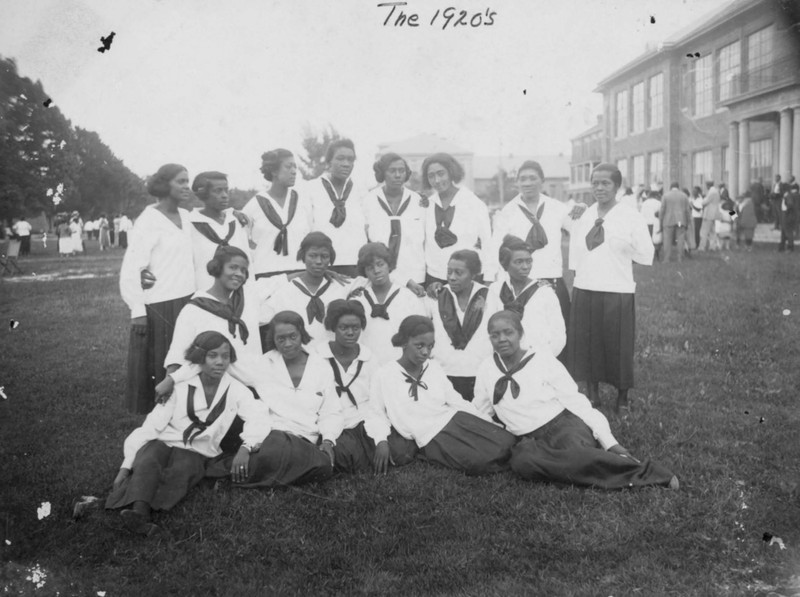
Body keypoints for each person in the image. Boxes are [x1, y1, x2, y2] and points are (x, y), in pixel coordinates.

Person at [474, 311, 678, 490]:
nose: (502, 339)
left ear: (520, 334)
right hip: (528, 440)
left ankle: (644, 473)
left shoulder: (542, 359)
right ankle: (585, 469)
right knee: (522, 462)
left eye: (508, 332)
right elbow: (482, 410)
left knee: (575, 453)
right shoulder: (486, 368)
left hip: (562, 426)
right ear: (489, 339)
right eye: (495, 335)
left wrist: (610, 443)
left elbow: (577, 402)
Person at [106, 331, 272, 535]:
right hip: (164, 439)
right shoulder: (179, 387)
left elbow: (258, 416)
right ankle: (139, 512)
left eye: (225, 356)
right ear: (199, 358)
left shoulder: (236, 389)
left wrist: (246, 447)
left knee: (183, 468)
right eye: (212, 356)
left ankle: (134, 508)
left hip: (196, 448)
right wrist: (125, 466)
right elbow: (152, 426)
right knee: (149, 459)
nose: (220, 362)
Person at [370, 315, 515, 475]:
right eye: (419, 346)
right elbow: (376, 413)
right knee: (482, 462)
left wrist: (485, 421)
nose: (425, 352)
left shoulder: (433, 367)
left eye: (430, 346)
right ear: (404, 342)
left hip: (453, 419)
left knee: (507, 441)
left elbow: (455, 400)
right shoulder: (384, 374)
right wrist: (381, 441)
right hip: (429, 436)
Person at [567, 163, 654, 412]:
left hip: (617, 288)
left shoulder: (630, 216)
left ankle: (622, 396)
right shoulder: (583, 214)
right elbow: (575, 251)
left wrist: (623, 245)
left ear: (617, 186)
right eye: (595, 183)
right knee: (588, 342)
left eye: (605, 183)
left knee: (618, 344)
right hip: (586, 286)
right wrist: (578, 277)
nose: (599, 188)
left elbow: (647, 254)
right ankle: (592, 392)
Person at [119, 164, 196, 414]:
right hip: (161, 303)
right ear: (165, 185)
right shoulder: (148, 220)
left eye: (188, 181)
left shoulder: (187, 216)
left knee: (188, 359)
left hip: (189, 299)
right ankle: (160, 418)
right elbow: (132, 268)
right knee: (162, 363)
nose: (187, 186)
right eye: (181, 181)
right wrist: (138, 310)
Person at [238, 311, 343, 488]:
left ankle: (262, 474)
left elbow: (331, 410)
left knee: (324, 466)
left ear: (301, 334)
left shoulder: (321, 367)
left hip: (305, 437)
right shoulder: (263, 364)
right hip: (273, 436)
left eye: (293, 337)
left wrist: (328, 440)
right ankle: (281, 472)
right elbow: (226, 366)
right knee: (278, 451)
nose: (287, 344)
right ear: (273, 339)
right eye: (281, 339)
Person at [315, 299, 418, 473]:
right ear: (333, 327)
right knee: (344, 458)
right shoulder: (318, 356)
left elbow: (377, 402)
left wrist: (381, 439)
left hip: (365, 418)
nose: (350, 333)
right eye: (343, 328)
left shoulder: (369, 358)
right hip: (336, 421)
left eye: (356, 328)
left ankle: (369, 453)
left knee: (401, 451)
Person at [490, 160, 578, 328]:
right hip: (520, 283)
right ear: (517, 182)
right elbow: (496, 250)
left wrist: (582, 208)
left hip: (551, 279)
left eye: (532, 178)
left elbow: (581, 230)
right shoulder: (508, 211)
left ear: (542, 181)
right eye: (522, 179)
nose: (527, 183)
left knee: (557, 332)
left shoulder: (557, 207)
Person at [426, 249, 492, 402]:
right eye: (449, 272)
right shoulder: (436, 296)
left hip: (479, 374)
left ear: (474, 274)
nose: (452, 278)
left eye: (458, 273)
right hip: (444, 373)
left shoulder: (489, 297)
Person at [262, 232, 348, 348]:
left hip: (333, 356)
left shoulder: (341, 286)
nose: (318, 261)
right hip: (298, 358)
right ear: (303, 257)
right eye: (312, 256)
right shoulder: (284, 291)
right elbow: (259, 316)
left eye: (324, 256)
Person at [484, 235, 565, 358]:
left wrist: (542, 359)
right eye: (519, 262)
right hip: (503, 360)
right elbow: (486, 330)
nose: (525, 267)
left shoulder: (544, 292)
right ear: (505, 264)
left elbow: (558, 336)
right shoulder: (495, 290)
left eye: (528, 261)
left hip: (537, 360)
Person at [421, 153, 494, 288]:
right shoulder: (427, 206)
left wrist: (488, 282)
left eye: (441, 173)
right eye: (431, 176)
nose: (436, 180)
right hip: (435, 280)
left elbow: (488, 245)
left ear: (451, 173)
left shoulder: (474, 204)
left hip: (467, 279)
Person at [346, 242, 426, 365]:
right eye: (370, 268)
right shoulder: (358, 297)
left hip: (399, 364)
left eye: (380, 264)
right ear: (364, 272)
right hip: (365, 365)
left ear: (389, 265)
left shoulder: (408, 297)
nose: (376, 271)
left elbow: (421, 334)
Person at [242, 149, 313, 279]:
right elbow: (241, 241)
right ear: (274, 171)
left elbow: (311, 235)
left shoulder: (303, 201)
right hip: (265, 275)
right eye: (288, 166)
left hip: (300, 272)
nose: (294, 171)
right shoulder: (254, 205)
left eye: (295, 167)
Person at [364, 153, 427, 296]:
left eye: (402, 170)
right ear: (382, 174)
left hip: (415, 277)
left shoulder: (418, 201)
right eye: (392, 171)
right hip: (381, 277)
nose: (398, 175)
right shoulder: (369, 200)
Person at [307, 139, 366, 276]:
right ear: (328, 163)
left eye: (350, 160)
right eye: (340, 159)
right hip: (322, 267)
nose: (346, 164)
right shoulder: (310, 189)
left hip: (356, 267)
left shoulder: (361, 191)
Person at [188, 171, 251, 291]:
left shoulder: (236, 222)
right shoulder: (190, 225)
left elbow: (247, 262)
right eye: (218, 191)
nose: (224, 195)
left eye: (226, 190)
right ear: (204, 194)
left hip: (239, 295)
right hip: (205, 294)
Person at [659, 183, 691, 263]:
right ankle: (680, 258)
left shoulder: (666, 196)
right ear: (678, 187)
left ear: (670, 187)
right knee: (680, 239)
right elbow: (687, 210)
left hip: (668, 220)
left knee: (667, 240)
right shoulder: (684, 196)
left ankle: (666, 259)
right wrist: (688, 221)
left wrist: (661, 220)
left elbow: (662, 210)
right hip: (680, 221)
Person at [699, 181, 720, 251]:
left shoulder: (711, 192)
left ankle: (702, 247)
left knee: (704, 232)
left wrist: (703, 199)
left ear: (708, 185)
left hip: (708, 214)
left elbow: (704, 202)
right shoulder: (716, 191)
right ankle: (712, 247)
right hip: (713, 214)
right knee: (712, 232)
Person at [778, 185, 798, 253]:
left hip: (787, 216)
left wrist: (786, 211)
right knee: (784, 231)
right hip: (788, 216)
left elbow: (790, 204)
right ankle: (782, 247)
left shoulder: (788, 195)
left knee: (788, 232)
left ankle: (790, 247)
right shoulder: (789, 195)